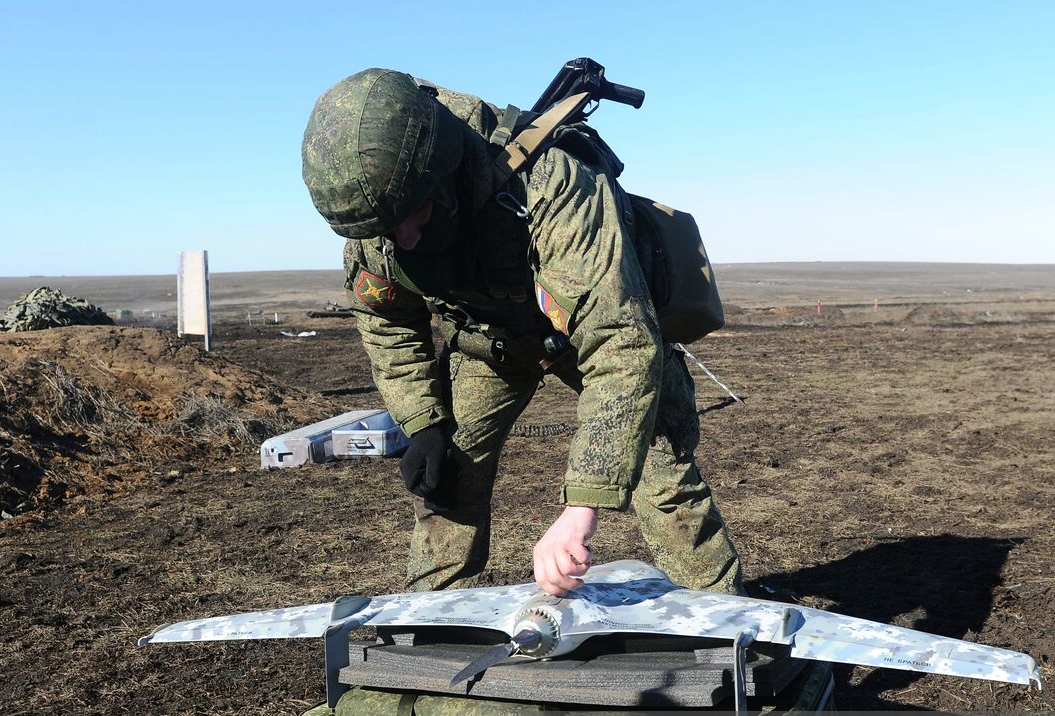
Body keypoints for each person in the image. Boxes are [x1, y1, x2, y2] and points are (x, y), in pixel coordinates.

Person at [300, 68, 743, 598]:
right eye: (387, 231)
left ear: (439, 169)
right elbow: (389, 325)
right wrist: (423, 422)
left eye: (415, 216)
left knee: (662, 474)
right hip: (491, 344)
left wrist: (580, 510)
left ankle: (734, 632)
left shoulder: (554, 187)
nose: (406, 241)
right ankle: (431, 633)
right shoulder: (380, 216)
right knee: (446, 482)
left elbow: (620, 343)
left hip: (592, 337)